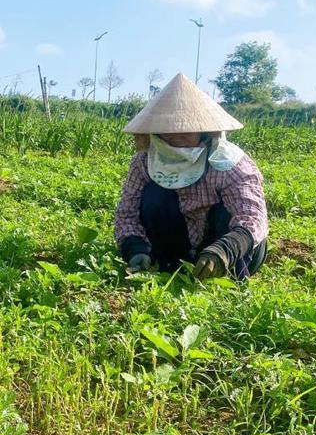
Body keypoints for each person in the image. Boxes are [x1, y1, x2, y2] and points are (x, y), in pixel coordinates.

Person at [114, 73, 268, 280]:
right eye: (168, 129)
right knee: (154, 195)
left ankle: (226, 274)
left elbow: (251, 217)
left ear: (205, 130)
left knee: (226, 213)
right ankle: (166, 263)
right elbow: (127, 212)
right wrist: (135, 248)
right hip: (177, 246)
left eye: (188, 128)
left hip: (227, 251)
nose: (177, 135)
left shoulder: (229, 162)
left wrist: (224, 250)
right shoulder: (145, 161)